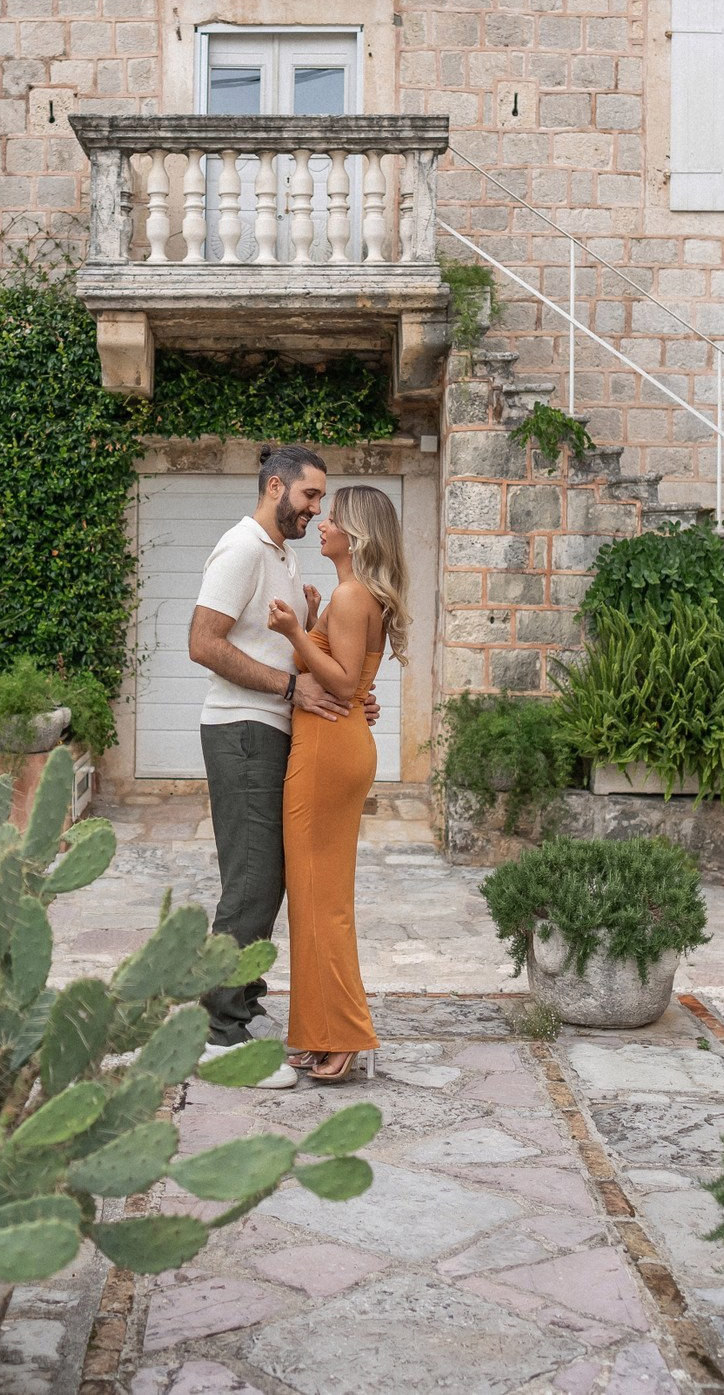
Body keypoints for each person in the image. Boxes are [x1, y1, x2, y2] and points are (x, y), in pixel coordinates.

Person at [186, 445, 375, 1091]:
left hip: (274, 730)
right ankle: (218, 1036)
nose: (317, 508)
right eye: (311, 495)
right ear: (276, 486)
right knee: (252, 880)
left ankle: (242, 1005)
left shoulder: (285, 558)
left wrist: (347, 687)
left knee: (269, 879)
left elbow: (306, 655)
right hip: (241, 728)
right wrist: (289, 689)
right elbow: (202, 642)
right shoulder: (241, 549)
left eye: (322, 499)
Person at [266, 483, 404, 1086]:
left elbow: (345, 685)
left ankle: (342, 1034)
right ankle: (317, 1030)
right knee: (316, 896)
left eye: (334, 517)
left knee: (321, 899)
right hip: (333, 745)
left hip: (327, 751)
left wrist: (298, 634)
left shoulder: (353, 596)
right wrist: (315, 623)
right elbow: (354, 683)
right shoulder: (349, 597)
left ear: (357, 534)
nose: (321, 522)